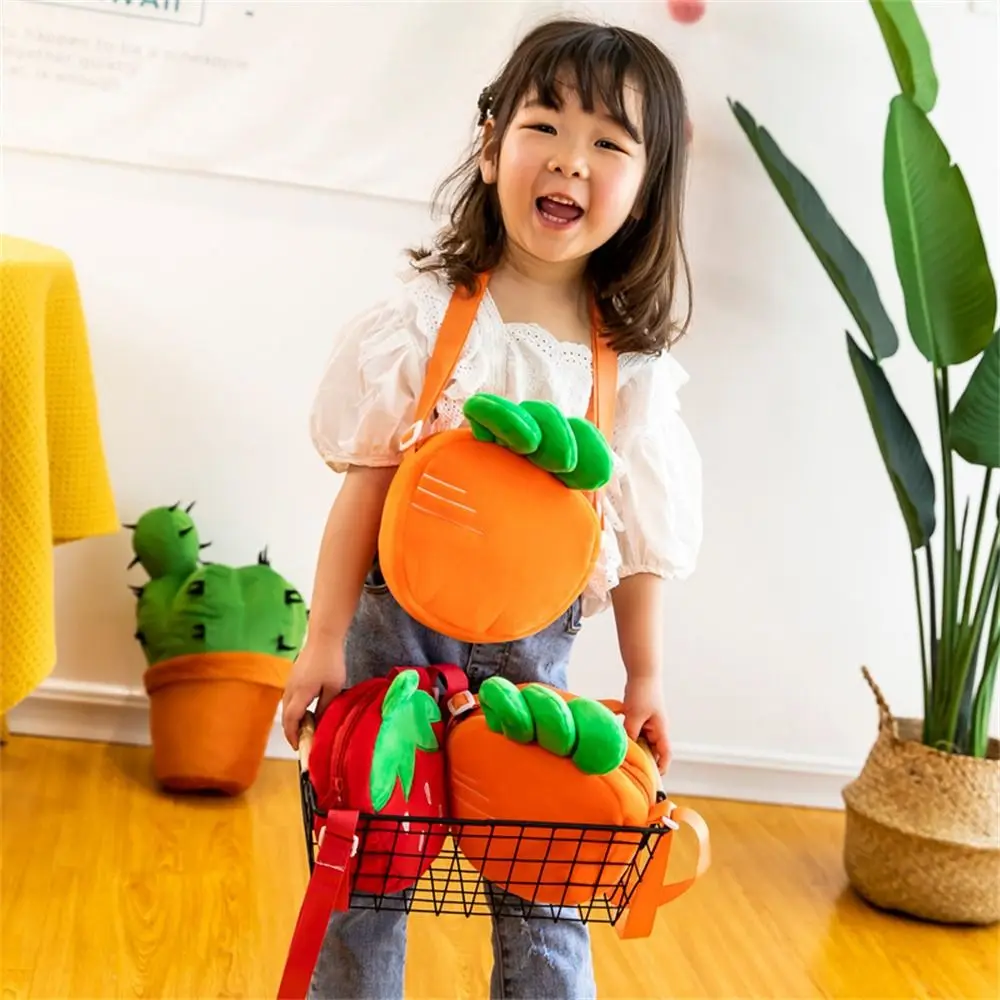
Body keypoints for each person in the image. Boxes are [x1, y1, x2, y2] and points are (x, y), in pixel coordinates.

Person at [281, 15, 702, 1000]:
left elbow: (637, 543)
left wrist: (643, 674)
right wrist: (322, 639)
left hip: (534, 653)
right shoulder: (425, 323)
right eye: (544, 127)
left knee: (548, 886)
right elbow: (365, 487)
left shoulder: (631, 373)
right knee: (361, 876)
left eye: (608, 143)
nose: (568, 161)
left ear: (645, 191)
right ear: (489, 147)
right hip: (392, 636)